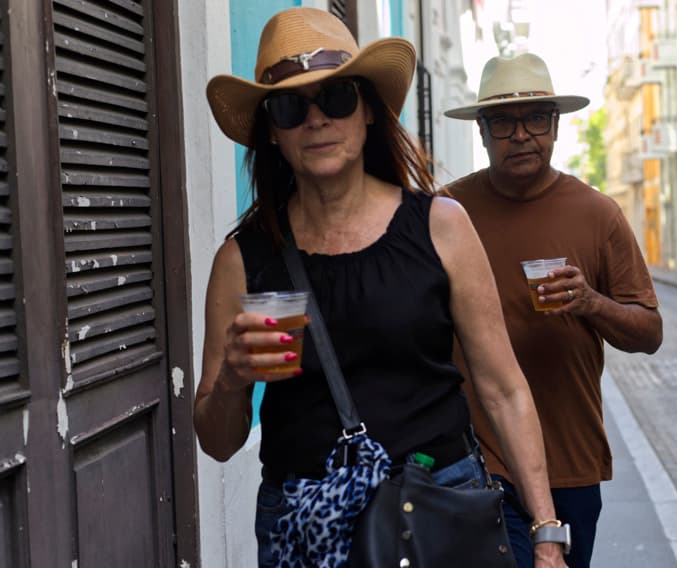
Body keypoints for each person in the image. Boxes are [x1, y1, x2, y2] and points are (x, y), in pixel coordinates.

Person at [196, 8, 566, 567]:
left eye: (337, 97)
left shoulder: (440, 226)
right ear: (272, 131)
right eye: (291, 107)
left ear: (367, 109)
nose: (316, 120)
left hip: (439, 510)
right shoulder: (241, 260)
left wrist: (546, 534)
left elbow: (503, 389)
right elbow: (218, 442)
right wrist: (232, 378)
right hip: (305, 526)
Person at [444, 53, 663, 568]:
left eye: (536, 118)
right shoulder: (447, 213)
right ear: (482, 131)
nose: (521, 134)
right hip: (477, 462)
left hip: (569, 460)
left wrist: (590, 302)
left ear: (557, 127)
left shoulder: (598, 214)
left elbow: (649, 332)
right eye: (503, 121)